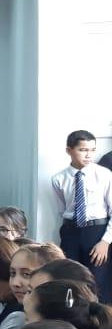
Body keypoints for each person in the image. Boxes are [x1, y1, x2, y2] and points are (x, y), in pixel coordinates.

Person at [51, 129, 112, 302]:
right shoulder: (58, 178)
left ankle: (100, 316)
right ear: (69, 150)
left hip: (97, 232)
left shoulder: (104, 175)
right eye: (83, 150)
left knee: (98, 281)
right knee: (70, 279)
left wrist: (105, 242)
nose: (88, 155)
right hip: (71, 231)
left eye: (92, 150)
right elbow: (62, 210)